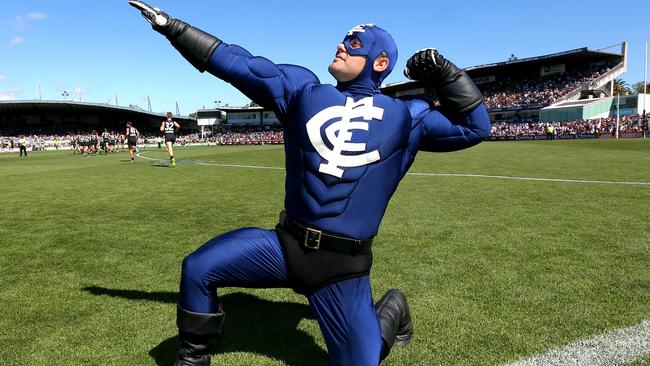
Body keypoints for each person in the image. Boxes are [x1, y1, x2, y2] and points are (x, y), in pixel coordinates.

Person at [130, 2, 491, 365]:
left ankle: (391, 309)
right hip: (283, 248)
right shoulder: (303, 90)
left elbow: (476, 127)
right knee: (198, 268)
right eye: (343, 40)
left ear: (379, 62)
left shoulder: (408, 116)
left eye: (353, 44)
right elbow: (239, 62)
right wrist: (173, 27)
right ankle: (193, 360)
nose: (340, 45)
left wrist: (448, 74)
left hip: (342, 270)